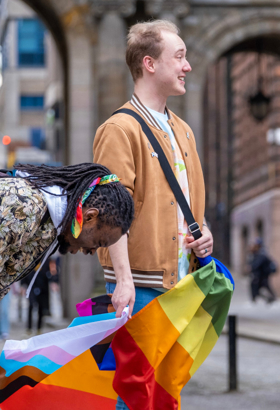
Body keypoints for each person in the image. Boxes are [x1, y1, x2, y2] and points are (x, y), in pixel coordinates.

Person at [92, 19, 213, 410]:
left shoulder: (184, 131)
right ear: (149, 63)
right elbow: (110, 215)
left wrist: (204, 232)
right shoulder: (119, 129)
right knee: (134, 391)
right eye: (178, 57)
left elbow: (193, 205)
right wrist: (123, 281)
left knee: (166, 391)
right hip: (140, 285)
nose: (187, 66)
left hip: (181, 283)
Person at [0, 163, 135, 410]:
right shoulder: (26, 207)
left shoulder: (47, 227)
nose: (91, 251)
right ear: (90, 216)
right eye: (99, 241)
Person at [21, 258, 58, 335]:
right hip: (31, 286)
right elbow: (24, 271)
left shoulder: (47, 259)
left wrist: (54, 281)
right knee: (31, 306)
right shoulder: (30, 258)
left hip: (43, 286)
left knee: (41, 308)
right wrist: (23, 285)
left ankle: (39, 328)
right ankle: (29, 328)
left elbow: (53, 270)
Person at [248, 239, 277, 304]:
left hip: (262, 274)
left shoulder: (261, 254)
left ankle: (272, 298)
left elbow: (257, 264)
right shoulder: (257, 253)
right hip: (260, 274)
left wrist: (252, 267)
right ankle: (270, 299)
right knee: (260, 287)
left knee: (262, 286)